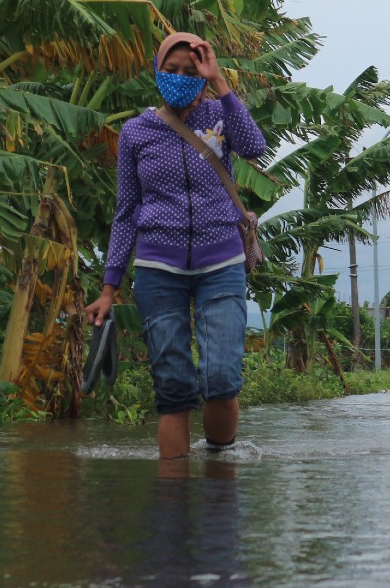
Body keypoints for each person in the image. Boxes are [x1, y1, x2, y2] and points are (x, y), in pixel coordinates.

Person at [85, 32, 266, 460]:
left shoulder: (219, 117)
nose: (182, 78)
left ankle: (220, 476)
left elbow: (255, 147)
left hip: (220, 262)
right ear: (157, 71)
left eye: (191, 71)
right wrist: (109, 289)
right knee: (173, 385)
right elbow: (126, 212)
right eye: (173, 70)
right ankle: (175, 503)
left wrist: (220, 84)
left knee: (221, 377)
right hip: (158, 269)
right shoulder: (136, 132)